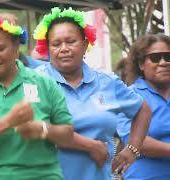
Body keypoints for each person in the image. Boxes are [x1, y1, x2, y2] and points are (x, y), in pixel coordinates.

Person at [0, 13, 74, 180]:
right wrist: (8, 121)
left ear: (16, 46)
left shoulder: (45, 83)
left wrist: (43, 129)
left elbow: (68, 135)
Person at [34, 7, 151, 180]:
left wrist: (132, 149)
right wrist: (90, 146)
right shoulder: (35, 81)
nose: (64, 48)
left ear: (85, 43)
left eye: (70, 41)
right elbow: (34, 126)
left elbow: (143, 110)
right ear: (48, 48)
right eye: (56, 44)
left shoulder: (107, 82)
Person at [119, 33, 170, 180]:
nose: (163, 62)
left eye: (168, 57)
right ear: (141, 64)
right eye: (155, 58)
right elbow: (135, 141)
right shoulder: (130, 97)